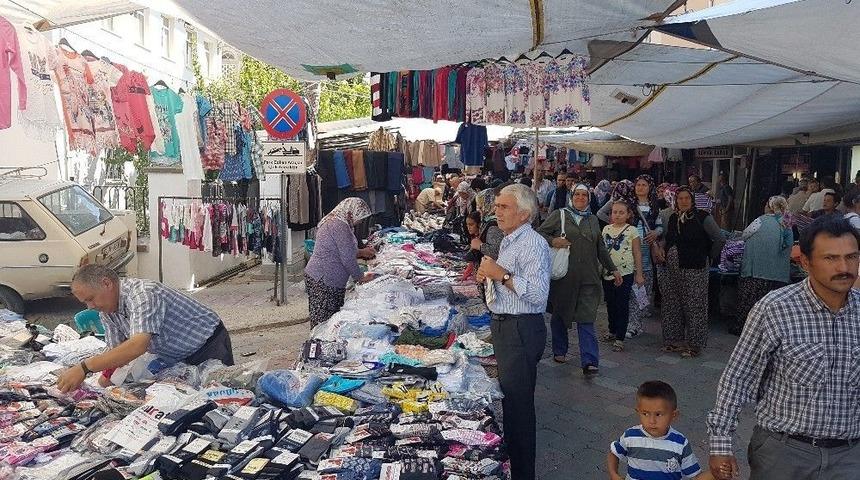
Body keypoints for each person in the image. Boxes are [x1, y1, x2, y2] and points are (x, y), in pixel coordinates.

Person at [707, 215, 860, 480]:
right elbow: (738, 378)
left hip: (848, 457)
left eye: (852, 257)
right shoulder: (775, 309)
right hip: (784, 453)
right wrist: (720, 443)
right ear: (805, 262)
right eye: (830, 258)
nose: (843, 267)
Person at [56, 264, 233, 392]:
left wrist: (84, 368)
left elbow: (137, 346)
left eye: (90, 298)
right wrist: (98, 387)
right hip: (176, 355)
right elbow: (117, 354)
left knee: (220, 393)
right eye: (85, 302)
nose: (90, 306)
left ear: (107, 284)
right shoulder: (108, 311)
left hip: (208, 344)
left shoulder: (143, 294)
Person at [475, 183, 551, 480]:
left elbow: (538, 295)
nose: (497, 211)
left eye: (504, 207)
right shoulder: (510, 240)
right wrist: (489, 275)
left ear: (524, 213)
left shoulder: (532, 243)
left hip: (520, 329)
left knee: (519, 408)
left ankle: (523, 473)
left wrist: (501, 275)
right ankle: (516, 466)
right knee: (512, 402)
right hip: (509, 327)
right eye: (497, 206)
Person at [538, 184, 619, 373]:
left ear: (589, 198)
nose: (581, 198)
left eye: (584, 195)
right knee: (560, 314)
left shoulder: (592, 219)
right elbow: (540, 233)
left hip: (589, 277)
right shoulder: (560, 215)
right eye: (577, 194)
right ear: (571, 196)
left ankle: (590, 360)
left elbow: (600, 248)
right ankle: (560, 350)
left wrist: (612, 269)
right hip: (564, 277)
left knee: (587, 318)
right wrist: (553, 241)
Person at [659, 187, 725, 358]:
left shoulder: (703, 217)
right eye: (680, 198)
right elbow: (669, 238)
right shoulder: (673, 217)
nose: (683, 201)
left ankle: (694, 344)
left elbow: (719, 239)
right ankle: (675, 340)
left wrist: (708, 256)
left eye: (687, 198)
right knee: (673, 303)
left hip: (695, 268)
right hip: (673, 269)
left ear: (692, 199)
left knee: (695, 305)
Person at [599, 175, 663, 337]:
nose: (640, 188)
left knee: (642, 292)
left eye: (644, 185)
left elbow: (660, 226)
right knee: (626, 292)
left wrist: (656, 233)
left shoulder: (655, 206)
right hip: (626, 252)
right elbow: (603, 213)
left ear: (650, 188)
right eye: (638, 184)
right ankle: (625, 324)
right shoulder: (627, 204)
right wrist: (616, 226)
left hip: (647, 253)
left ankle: (636, 324)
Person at [608, 381, 705, 480]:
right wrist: (614, 474)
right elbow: (614, 453)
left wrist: (716, 472)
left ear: (673, 415)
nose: (652, 421)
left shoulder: (680, 443)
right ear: (638, 412)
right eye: (645, 414)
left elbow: (696, 476)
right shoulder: (630, 436)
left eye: (658, 414)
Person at [729, 196, 793, 336]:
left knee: (750, 304)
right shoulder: (787, 224)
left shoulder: (760, 221)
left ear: (770, 207)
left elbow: (744, 236)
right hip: (779, 276)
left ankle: (744, 329)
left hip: (756, 272)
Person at [304, 198, 374, 327]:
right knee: (324, 323)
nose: (360, 222)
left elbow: (343, 250)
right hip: (323, 279)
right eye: (360, 217)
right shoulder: (338, 225)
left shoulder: (338, 221)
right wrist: (360, 277)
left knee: (326, 320)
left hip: (324, 277)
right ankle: (319, 346)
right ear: (351, 212)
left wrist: (362, 252)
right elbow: (347, 257)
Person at [600, 201, 644, 352]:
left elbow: (637, 252)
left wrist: (639, 273)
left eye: (621, 212)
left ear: (628, 214)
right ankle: (612, 330)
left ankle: (620, 337)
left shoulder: (632, 230)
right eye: (614, 212)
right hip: (608, 272)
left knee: (622, 304)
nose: (617, 215)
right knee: (610, 303)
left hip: (626, 273)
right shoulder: (606, 229)